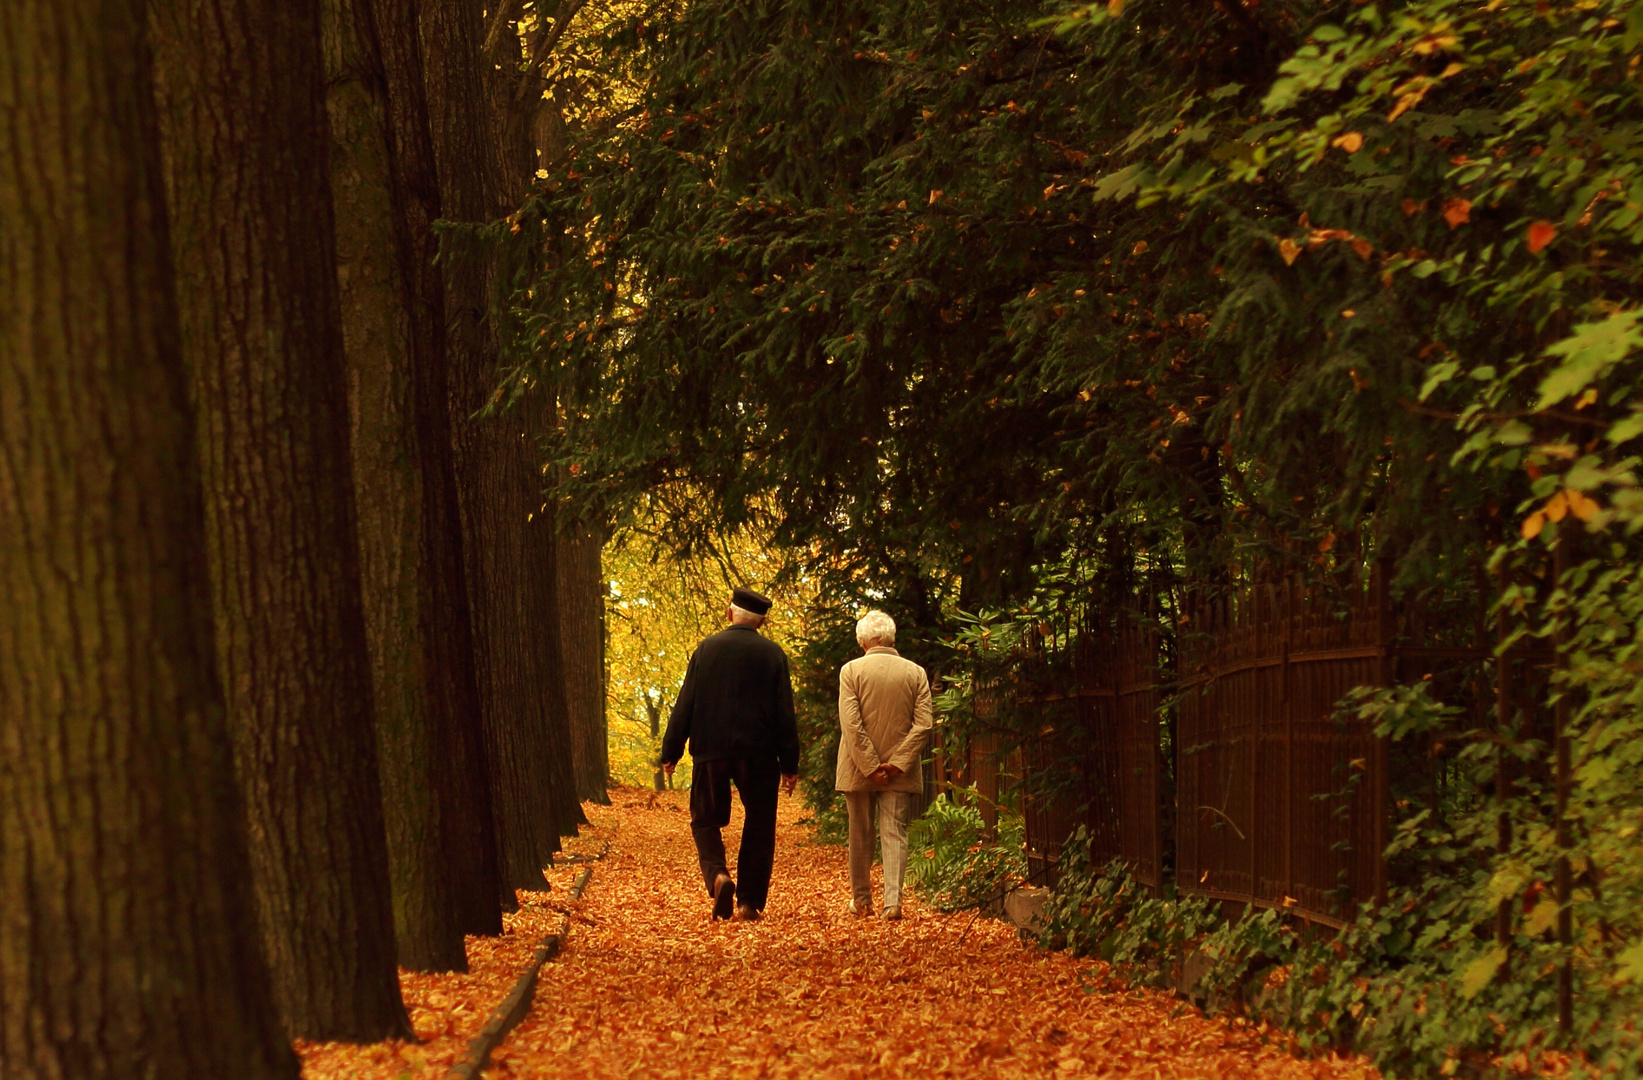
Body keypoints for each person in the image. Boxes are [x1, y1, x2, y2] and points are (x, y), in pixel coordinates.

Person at [660, 586, 801, 921]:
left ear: (729, 614)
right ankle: (749, 902)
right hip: (760, 753)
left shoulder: (706, 649)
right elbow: (785, 712)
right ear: (762, 622)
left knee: (705, 819)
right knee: (760, 823)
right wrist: (790, 763)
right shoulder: (773, 655)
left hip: (711, 749)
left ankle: (718, 875)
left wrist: (672, 749)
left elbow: (687, 702)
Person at [835, 610, 932, 921]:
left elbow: (851, 724)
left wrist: (869, 766)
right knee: (895, 832)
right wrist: (896, 764)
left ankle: (862, 900)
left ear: (863, 641)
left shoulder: (851, 671)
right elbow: (924, 725)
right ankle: (893, 903)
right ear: (892, 638)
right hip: (899, 771)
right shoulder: (916, 673)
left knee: (860, 832)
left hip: (857, 766)